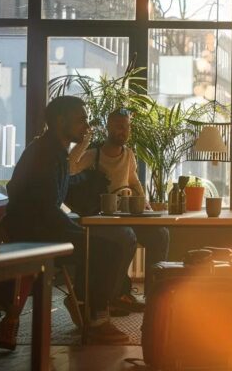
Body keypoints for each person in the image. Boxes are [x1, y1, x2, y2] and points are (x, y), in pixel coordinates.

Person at [2, 96, 136, 344]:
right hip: (36, 233)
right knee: (106, 248)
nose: (86, 125)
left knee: (102, 244)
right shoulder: (46, 153)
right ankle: (97, 319)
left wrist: (87, 179)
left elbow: (56, 188)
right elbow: (45, 204)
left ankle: (88, 307)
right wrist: (76, 229)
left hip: (39, 227)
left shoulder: (52, 150)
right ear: (60, 120)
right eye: (81, 120)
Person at [69, 107, 170, 313]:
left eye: (126, 127)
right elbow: (70, 168)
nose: (123, 131)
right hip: (101, 218)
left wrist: (145, 203)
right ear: (108, 127)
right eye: (118, 126)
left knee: (160, 234)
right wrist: (83, 143)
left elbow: (133, 181)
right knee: (126, 236)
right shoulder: (94, 155)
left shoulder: (129, 154)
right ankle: (113, 295)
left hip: (126, 215)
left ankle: (154, 295)